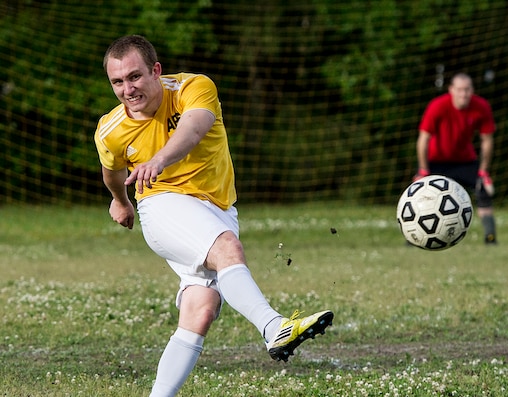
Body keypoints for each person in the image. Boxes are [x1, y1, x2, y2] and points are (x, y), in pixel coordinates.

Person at [94, 35, 334, 397]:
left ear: (156, 71)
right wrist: (120, 200)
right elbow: (111, 171)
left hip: (217, 208)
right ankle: (274, 327)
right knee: (227, 249)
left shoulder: (194, 87)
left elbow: (193, 129)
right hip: (161, 205)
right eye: (118, 82)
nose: (128, 89)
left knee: (200, 309)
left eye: (135, 77)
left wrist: (159, 158)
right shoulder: (110, 130)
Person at [415, 73, 498, 244]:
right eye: (460, 90)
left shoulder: (480, 106)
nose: (464, 94)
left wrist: (483, 171)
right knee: (419, 195)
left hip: (464, 161)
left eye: (467, 90)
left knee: (483, 189)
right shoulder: (438, 106)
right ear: (451, 90)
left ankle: (490, 237)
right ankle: (414, 238)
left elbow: (487, 140)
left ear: (472, 90)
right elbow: (423, 139)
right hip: (436, 161)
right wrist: (423, 171)